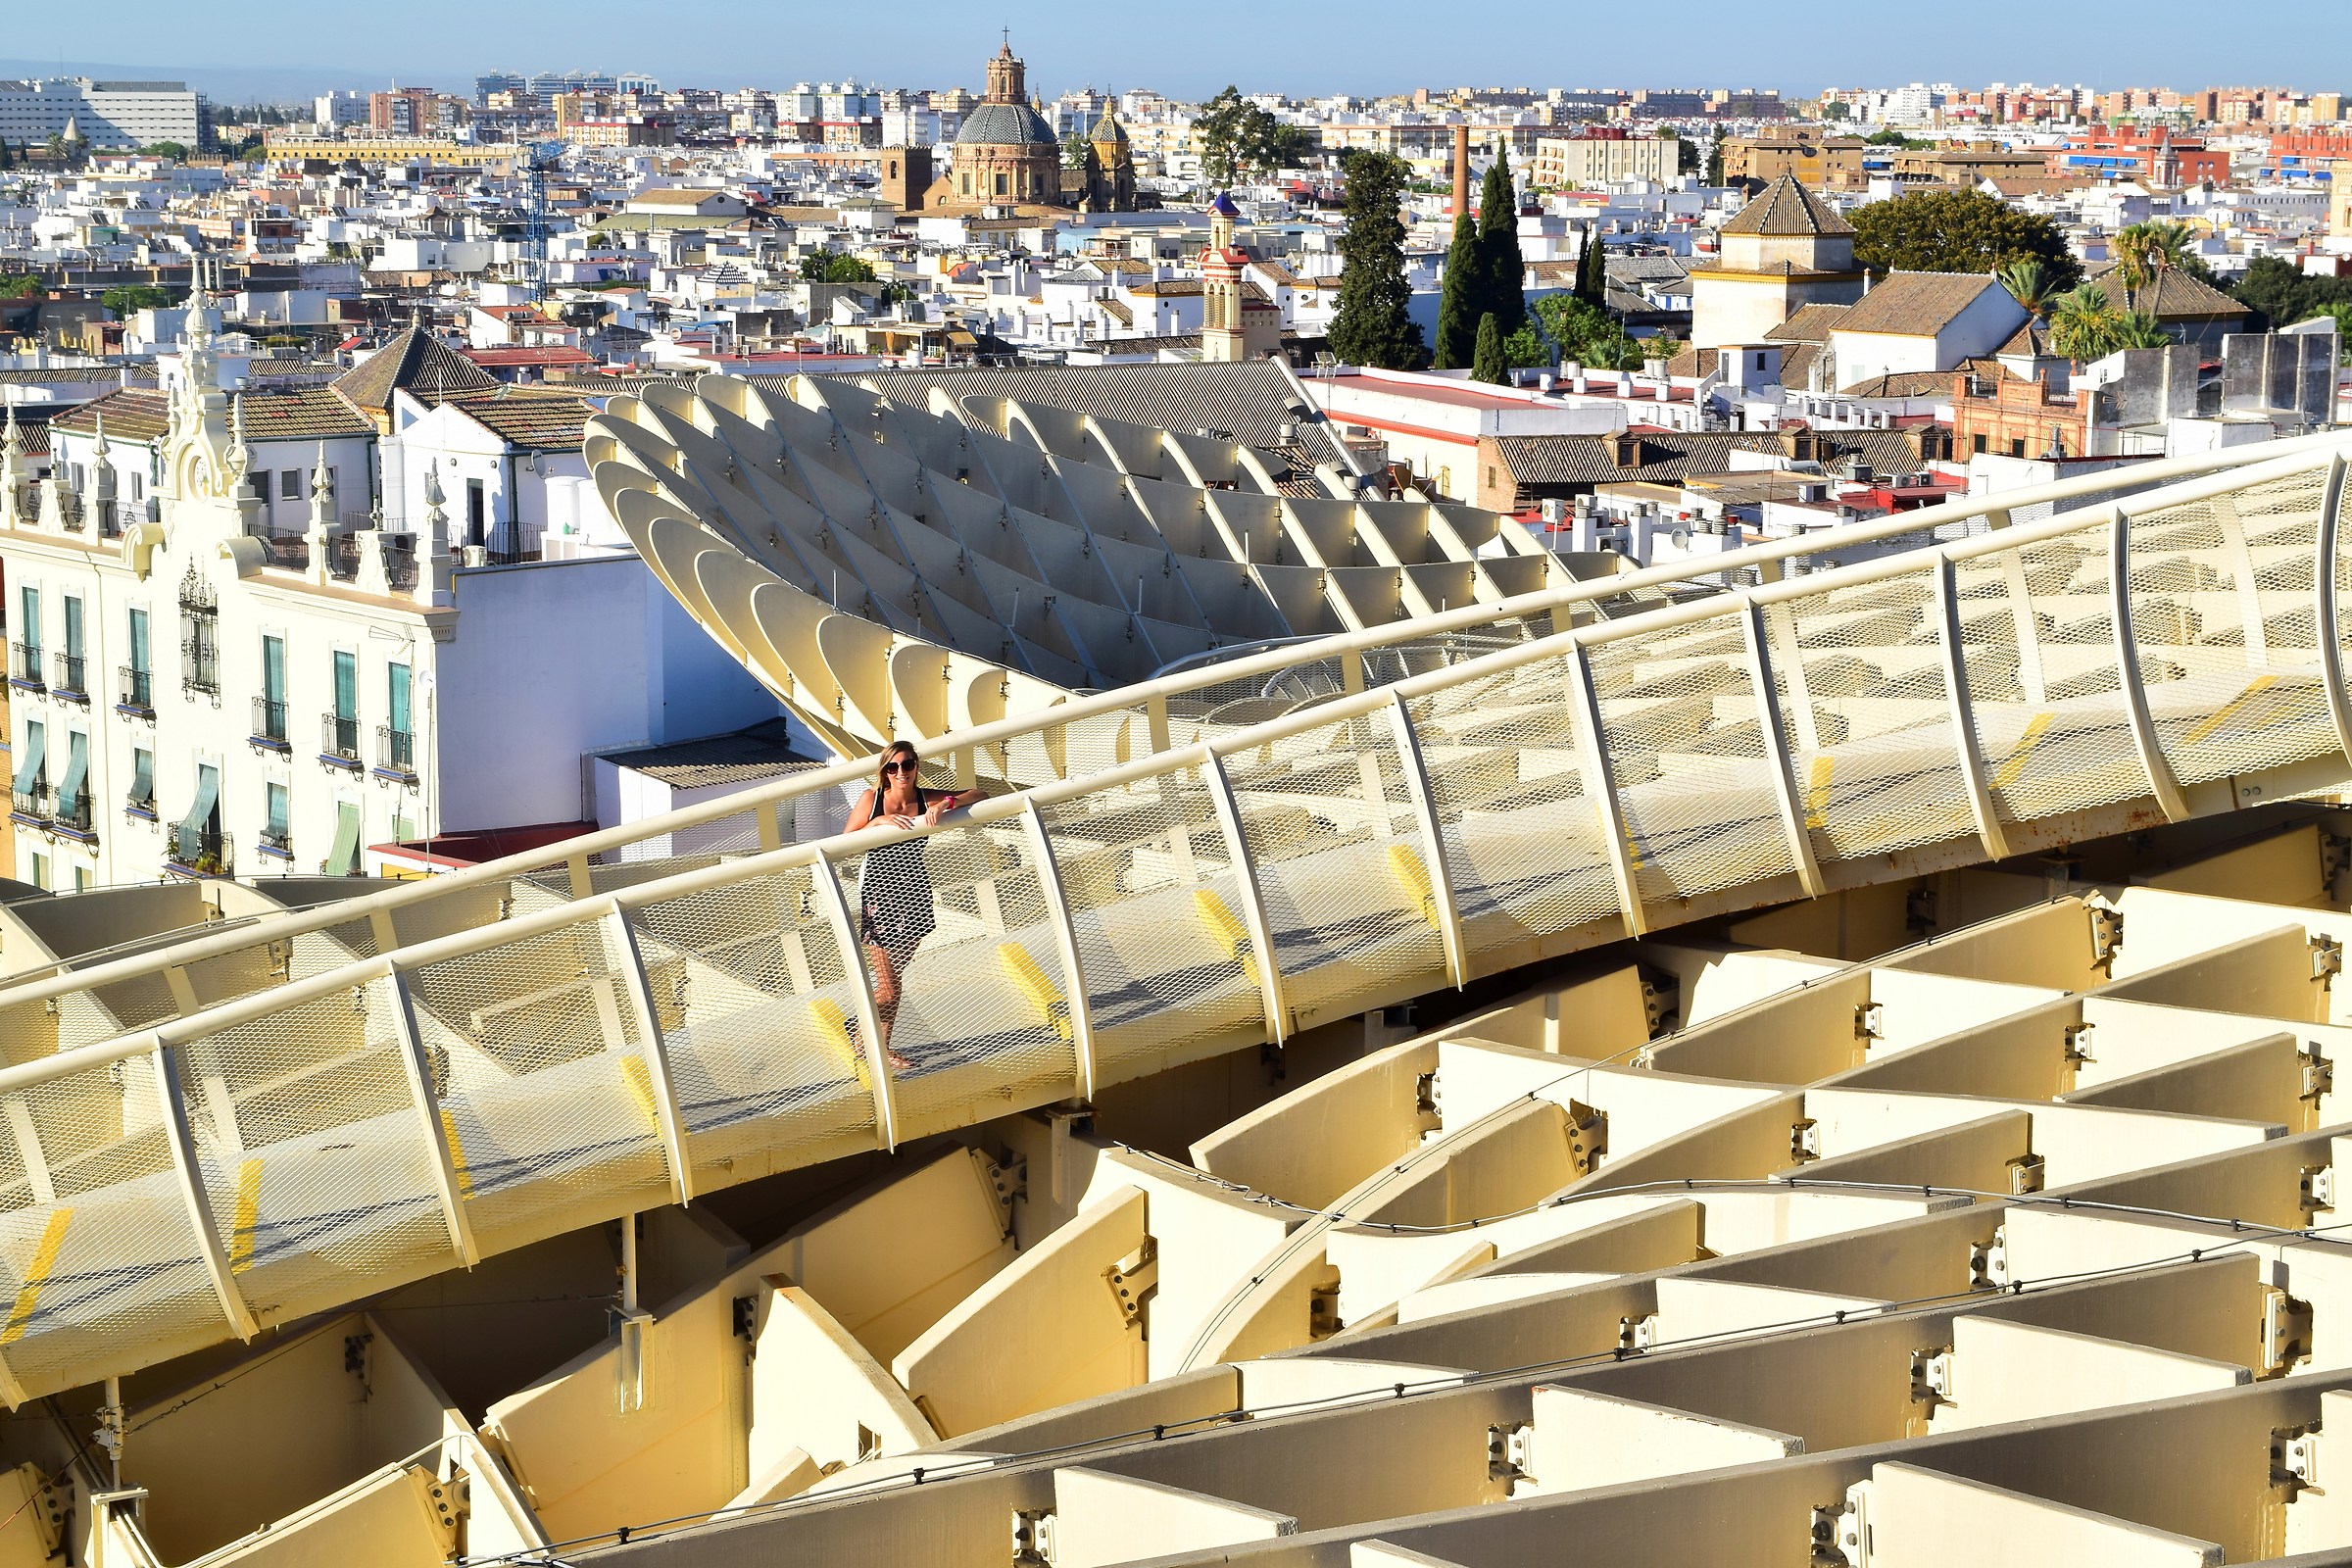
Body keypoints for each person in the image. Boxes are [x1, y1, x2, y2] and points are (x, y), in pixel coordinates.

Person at [845, 741, 986, 1070]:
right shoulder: (872, 799)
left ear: (916, 766)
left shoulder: (925, 798)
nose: (900, 773)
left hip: (914, 893)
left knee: (893, 982)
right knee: (891, 987)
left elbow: (979, 794)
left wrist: (946, 803)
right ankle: (878, 1047)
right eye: (892, 768)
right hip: (879, 895)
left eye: (907, 765)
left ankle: (860, 1027)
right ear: (884, 772)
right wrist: (877, 823)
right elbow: (844, 841)